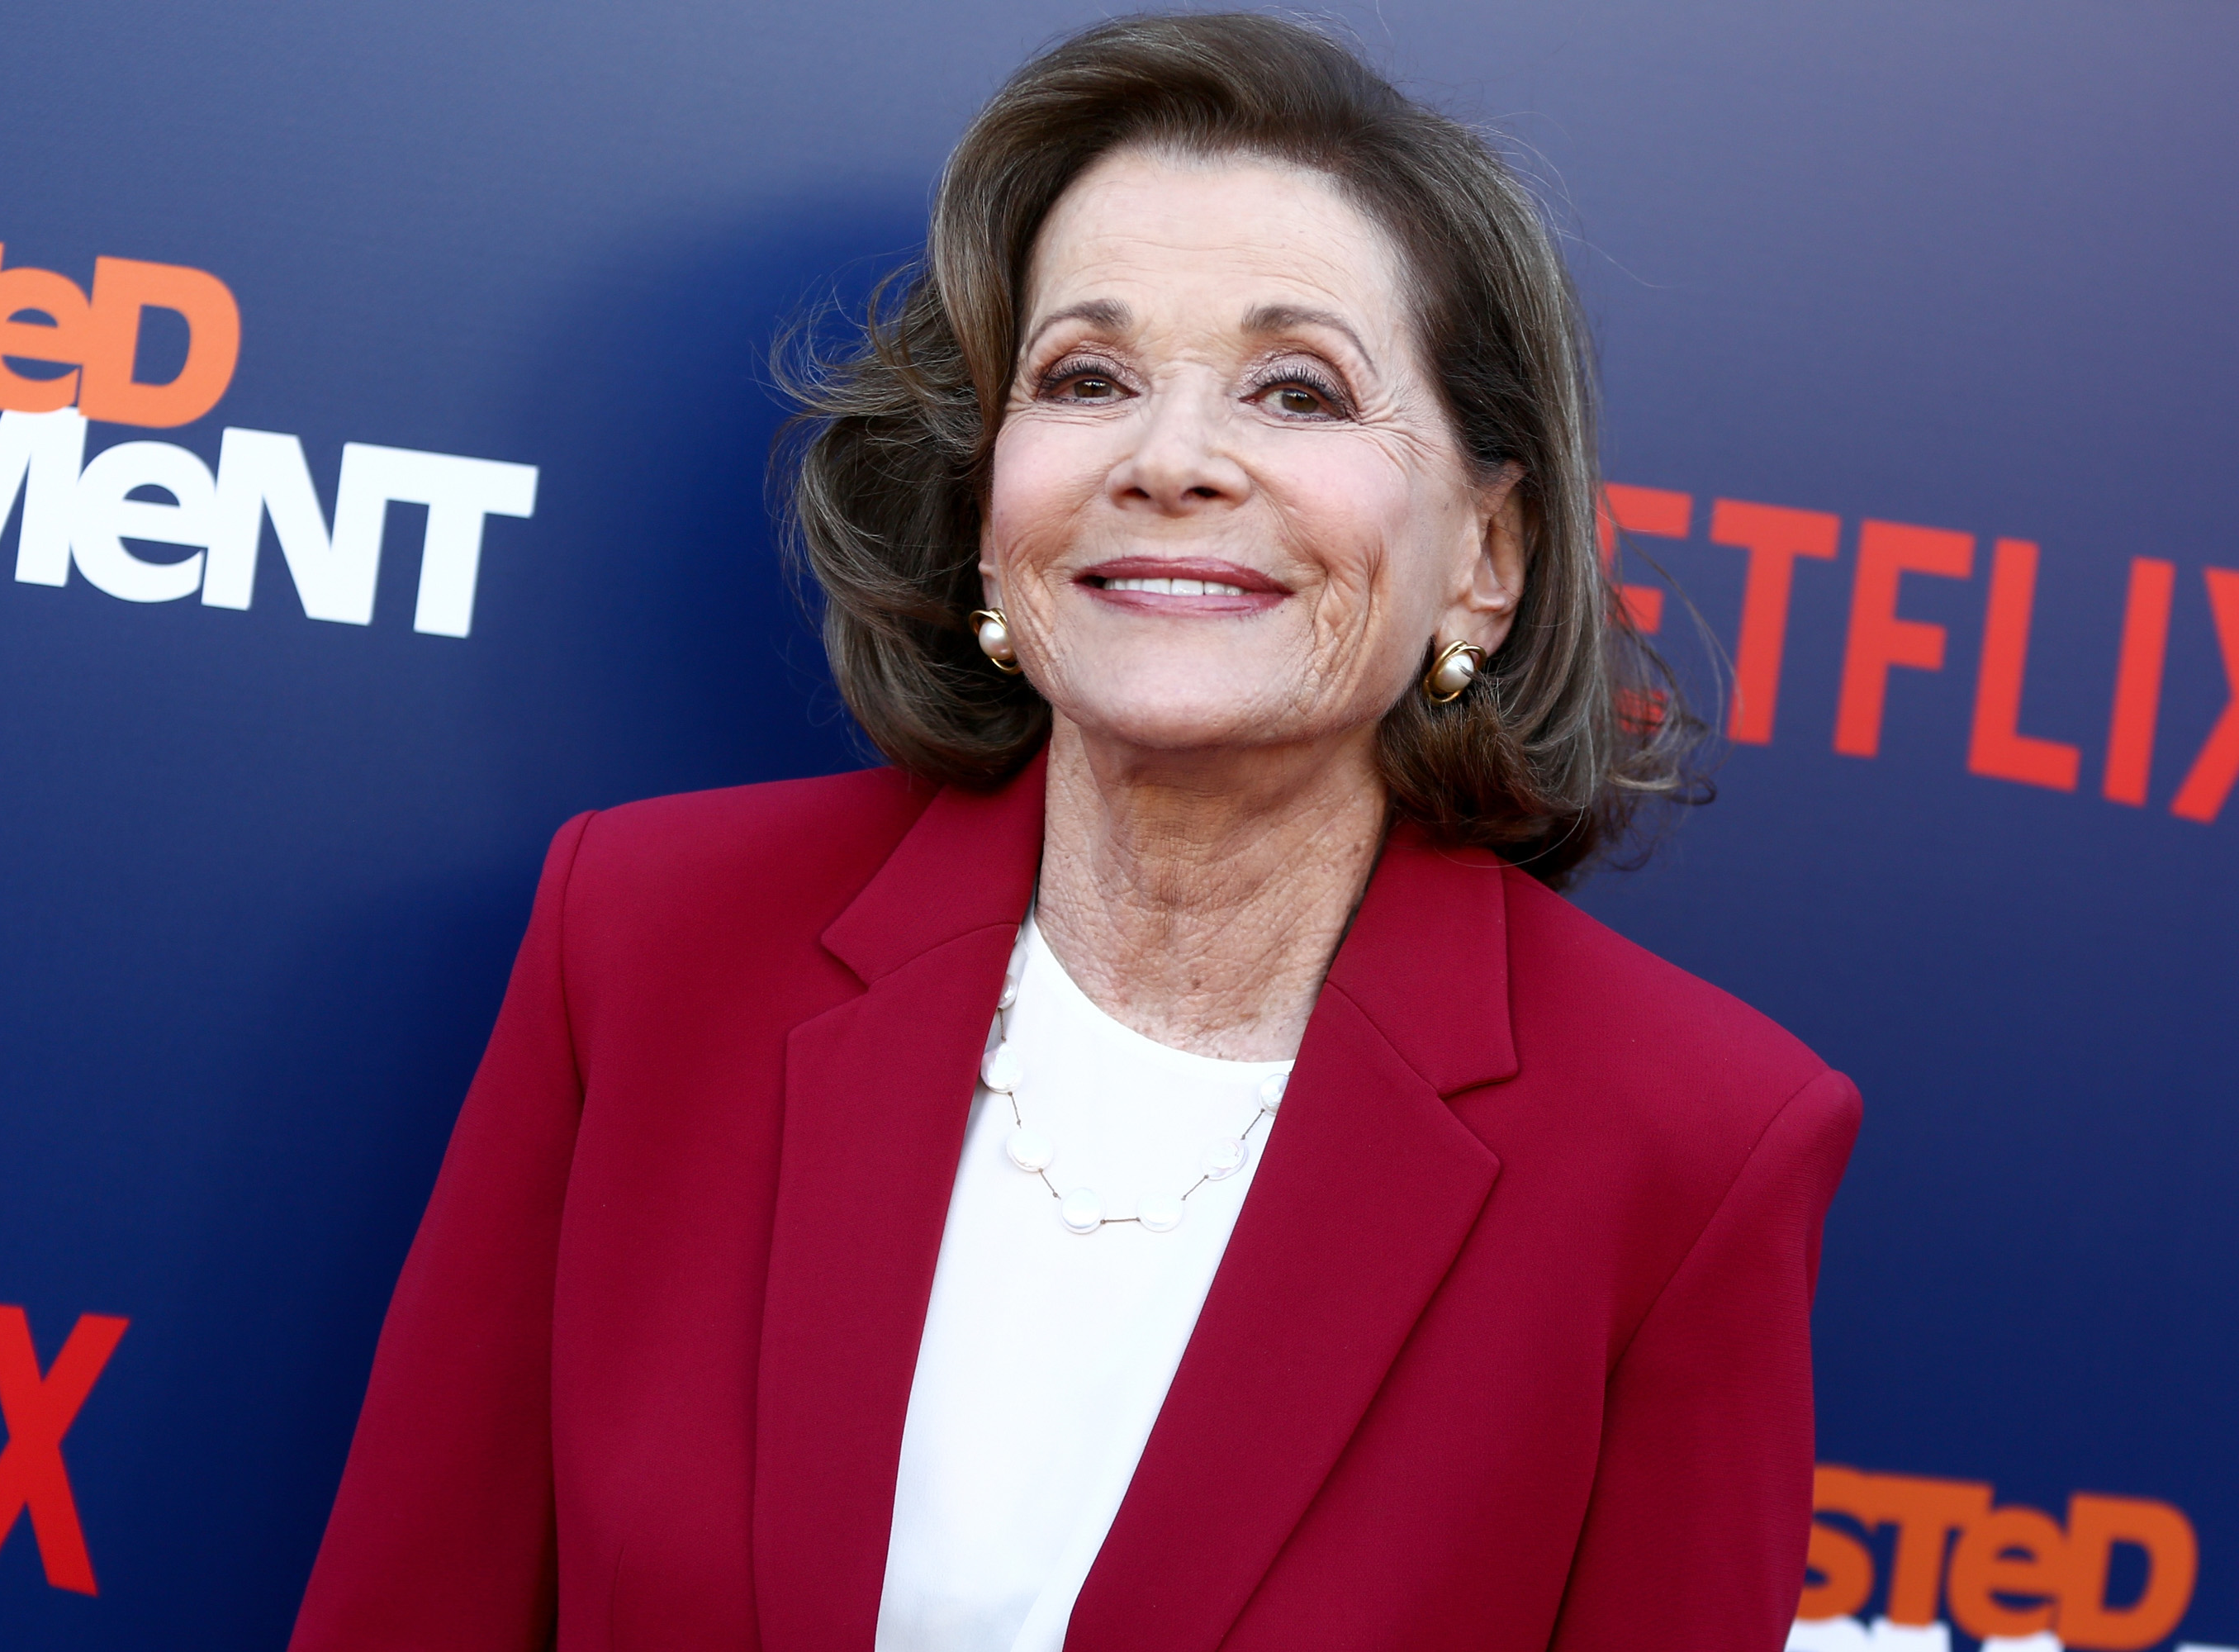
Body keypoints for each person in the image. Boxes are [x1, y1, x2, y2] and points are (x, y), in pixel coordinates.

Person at [289, 14, 1860, 1651]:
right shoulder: (648, 940)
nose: (1170, 459)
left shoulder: (1691, 1153)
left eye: (1297, 389)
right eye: (1086, 378)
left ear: (1489, 551)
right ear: (992, 506)